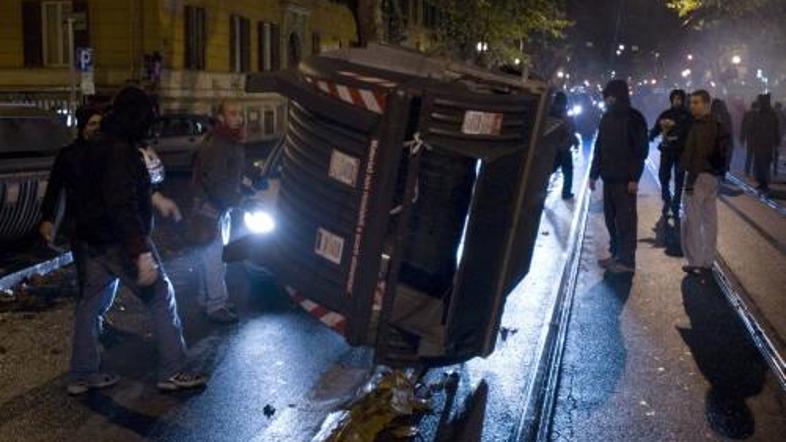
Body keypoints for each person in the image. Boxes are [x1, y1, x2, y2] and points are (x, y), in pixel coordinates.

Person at [68, 86, 206, 395]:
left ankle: (81, 373)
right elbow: (121, 204)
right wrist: (140, 253)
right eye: (147, 117)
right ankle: (174, 370)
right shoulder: (121, 151)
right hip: (120, 242)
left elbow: (101, 192)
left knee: (90, 305)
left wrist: (156, 200)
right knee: (160, 296)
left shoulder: (98, 145)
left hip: (93, 241)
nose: (150, 124)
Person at [192, 100, 247, 323]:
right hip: (211, 208)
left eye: (240, 113)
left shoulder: (226, 140)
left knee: (211, 258)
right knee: (214, 259)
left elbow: (226, 176)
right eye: (233, 113)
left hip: (216, 207)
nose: (239, 118)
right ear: (221, 118)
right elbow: (215, 181)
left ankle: (208, 300)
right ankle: (216, 305)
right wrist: (239, 200)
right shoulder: (221, 143)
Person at [589, 80, 649, 274]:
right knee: (610, 219)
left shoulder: (634, 118)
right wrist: (593, 173)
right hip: (609, 178)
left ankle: (627, 261)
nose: (607, 100)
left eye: (609, 96)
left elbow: (640, 150)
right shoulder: (606, 117)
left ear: (617, 95)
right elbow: (599, 147)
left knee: (626, 221)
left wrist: (634, 177)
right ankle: (616, 254)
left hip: (624, 180)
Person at [680, 90, 730, 278]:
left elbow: (697, 156)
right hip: (713, 177)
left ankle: (695, 261)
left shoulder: (700, 126)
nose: (692, 106)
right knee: (710, 220)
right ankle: (708, 259)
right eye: (691, 103)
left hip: (698, 176)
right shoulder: (718, 125)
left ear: (707, 104)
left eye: (696, 103)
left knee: (691, 220)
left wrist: (690, 181)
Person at [649, 89, 691, 218]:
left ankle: (676, 202)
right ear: (671, 100)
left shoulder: (687, 116)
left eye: (679, 98)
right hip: (667, 150)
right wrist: (650, 136)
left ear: (683, 100)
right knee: (663, 175)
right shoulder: (665, 114)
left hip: (681, 152)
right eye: (675, 98)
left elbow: (691, 133)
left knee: (679, 179)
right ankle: (666, 196)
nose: (677, 101)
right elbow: (656, 128)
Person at [550, 92, 580, 199]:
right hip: (563, 148)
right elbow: (570, 129)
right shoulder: (563, 113)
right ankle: (566, 193)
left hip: (554, 148)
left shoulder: (551, 111)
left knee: (550, 170)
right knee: (568, 171)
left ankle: (539, 193)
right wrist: (574, 141)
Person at [749, 94, 781, 193]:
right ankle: (762, 182)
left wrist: (777, 141)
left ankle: (764, 183)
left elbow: (776, 129)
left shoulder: (771, 115)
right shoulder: (760, 114)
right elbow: (753, 128)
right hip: (760, 143)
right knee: (760, 164)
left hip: (767, 144)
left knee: (765, 164)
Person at [711, 98, 734, 178]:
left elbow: (728, 130)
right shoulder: (725, 116)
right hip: (719, 145)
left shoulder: (724, 116)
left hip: (720, 145)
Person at [740, 101, 759, 176]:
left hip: (749, 137)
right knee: (756, 156)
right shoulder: (759, 115)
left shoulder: (747, 114)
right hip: (757, 138)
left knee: (749, 155)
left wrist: (742, 138)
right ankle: (754, 171)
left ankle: (747, 170)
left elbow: (743, 127)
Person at [774, 102, 785, 177]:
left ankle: (774, 167)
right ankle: (775, 168)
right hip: (778, 135)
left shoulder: (771, 113)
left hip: (772, 136)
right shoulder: (781, 114)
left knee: (773, 152)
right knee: (776, 152)